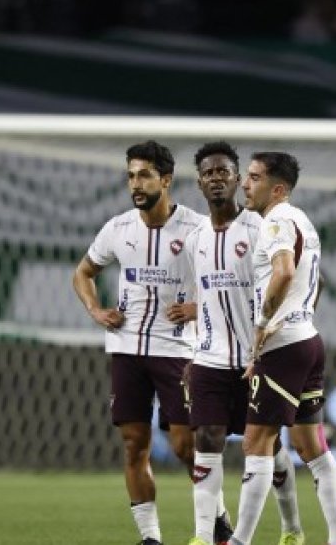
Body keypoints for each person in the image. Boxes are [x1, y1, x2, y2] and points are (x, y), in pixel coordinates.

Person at [72, 140, 203, 545]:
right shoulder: (118, 228)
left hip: (177, 351)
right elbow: (83, 272)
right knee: (134, 444)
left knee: (184, 445)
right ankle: (150, 538)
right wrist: (95, 311)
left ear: (166, 180)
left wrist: (198, 307)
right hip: (126, 349)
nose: (135, 183)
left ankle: (215, 517)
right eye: (131, 175)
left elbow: (234, 284)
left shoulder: (198, 229)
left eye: (144, 174)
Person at [172, 142, 304, 545]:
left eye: (224, 172)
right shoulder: (195, 240)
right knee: (206, 438)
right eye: (208, 173)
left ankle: (292, 527)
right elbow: (208, 299)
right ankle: (203, 536)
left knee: (268, 448)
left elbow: (291, 285)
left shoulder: (259, 229)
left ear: (237, 179)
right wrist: (193, 350)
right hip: (210, 357)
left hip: (256, 359)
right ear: (199, 182)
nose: (216, 179)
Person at [229, 152, 336, 545]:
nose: (246, 183)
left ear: (277, 188)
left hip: (283, 346)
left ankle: (240, 540)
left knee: (255, 442)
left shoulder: (277, 220)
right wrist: (301, 314)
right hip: (309, 340)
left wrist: (263, 326)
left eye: (255, 177)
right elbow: (319, 282)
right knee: (311, 446)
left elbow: (284, 272)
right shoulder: (303, 222)